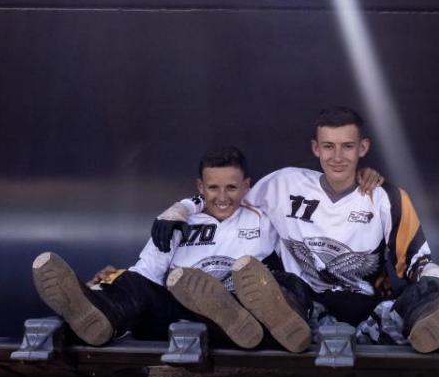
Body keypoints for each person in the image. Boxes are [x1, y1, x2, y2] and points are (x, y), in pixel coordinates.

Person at [151, 106, 439, 353]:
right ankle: (287, 326)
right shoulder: (284, 184)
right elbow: (225, 196)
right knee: (278, 283)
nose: (338, 157)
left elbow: (416, 261)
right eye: (329, 147)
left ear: (362, 148)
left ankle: (434, 318)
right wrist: (183, 207)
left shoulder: (385, 197)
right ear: (315, 148)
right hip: (302, 302)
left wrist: (438, 286)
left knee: (421, 291)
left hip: (365, 307)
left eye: (348, 147)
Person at [31, 146, 279, 349]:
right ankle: (94, 310)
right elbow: (146, 274)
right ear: (200, 187)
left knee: (272, 290)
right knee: (131, 281)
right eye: (213, 188)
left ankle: (230, 318)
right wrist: (114, 284)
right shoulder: (175, 223)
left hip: (240, 312)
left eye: (232, 187)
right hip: (179, 310)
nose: (223, 197)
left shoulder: (265, 220)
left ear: (247, 185)